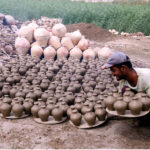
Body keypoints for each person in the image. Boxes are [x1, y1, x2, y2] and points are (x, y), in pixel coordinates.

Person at [102, 51, 150, 126]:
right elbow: (122, 99)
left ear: (123, 68)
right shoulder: (123, 81)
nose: (112, 74)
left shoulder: (147, 78)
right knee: (125, 93)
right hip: (141, 104)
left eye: (113, 70)